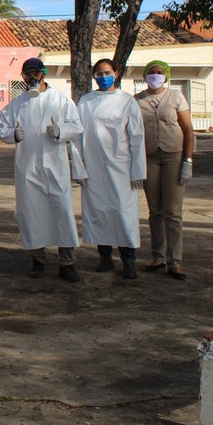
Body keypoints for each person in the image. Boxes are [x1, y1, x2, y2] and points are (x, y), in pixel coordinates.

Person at [0, 57, 83, 283]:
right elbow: (1, 128)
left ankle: (67, 262)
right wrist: (12, 135)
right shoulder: (17, 104)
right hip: (28, 168)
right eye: (28, 73)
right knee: (32, 214)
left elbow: (76, 126)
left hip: (56, 167)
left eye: (36, 72)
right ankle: (38, 259)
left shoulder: (61, 99)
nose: (32, 77)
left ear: (44, 74)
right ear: (23, 77)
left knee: (62, 212)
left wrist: (60, 130)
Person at [74, 59, 146, 279]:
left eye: (107, 72)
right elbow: (76, 138)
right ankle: (104, 257)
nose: (103, 76)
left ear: (115, 73)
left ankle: (129, 260)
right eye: (99, 73)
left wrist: (138, 170)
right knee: (98, 213)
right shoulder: (85, 102)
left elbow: (137, 137)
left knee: (124, 214)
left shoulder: (126, 101)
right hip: (94, 167)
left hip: (121, 167)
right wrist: (79, 168)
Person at [134, 60, 195, 281]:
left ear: (166, 76)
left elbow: (188, 130)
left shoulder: (176, 97)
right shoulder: (137, 100)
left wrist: (187, 160)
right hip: (149, 157)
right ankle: (158, 256)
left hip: (173, 156)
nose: (155, 75)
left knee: (173, 211)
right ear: (145, 75)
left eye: (159, 72)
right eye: (151, 72)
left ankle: (175, 261)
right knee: (155, 210)